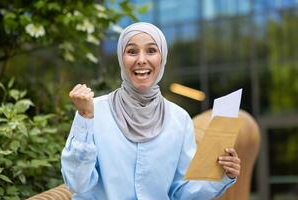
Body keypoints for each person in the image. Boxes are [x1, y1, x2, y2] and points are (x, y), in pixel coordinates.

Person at [61, 22, 241, 200]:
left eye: (151, 51)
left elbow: (182, 192)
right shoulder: (94, 111)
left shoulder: (179, 118)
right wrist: (85, 118)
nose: (141, 60)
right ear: (121, 59)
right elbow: (77, 183)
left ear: (162, 58)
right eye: (132, 51)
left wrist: (223, 174)